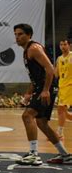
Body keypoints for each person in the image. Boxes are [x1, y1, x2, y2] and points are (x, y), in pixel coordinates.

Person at [13, 23, 71, 165]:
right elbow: (36, 76)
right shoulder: (27, 50)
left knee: (27, 115)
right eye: (15, 34)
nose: (17, 37)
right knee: (41, 123)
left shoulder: (34, 49)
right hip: (43, 87)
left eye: (20, 34)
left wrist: (45, 90)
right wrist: (28, 93)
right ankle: (65, 155)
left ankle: (33, 154)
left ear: (29, 35)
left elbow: (50, 69)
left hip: (47, 88)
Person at [54, 39, 72, 141]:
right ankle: (59, 132)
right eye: (61, 44)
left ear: (69, 45)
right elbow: (56, 74)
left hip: (70, 86)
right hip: (62, 87)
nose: (63, 46)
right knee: (64, 112)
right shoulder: (59, 58)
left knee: (61, 109)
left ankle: (60, 133)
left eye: (65, 44)